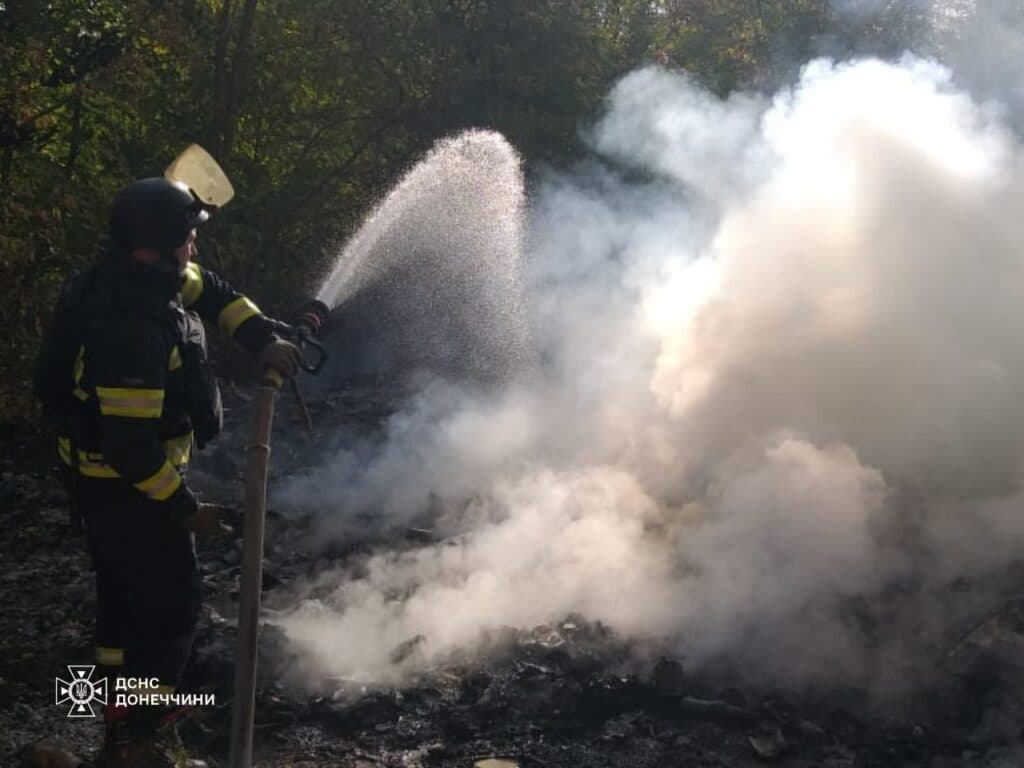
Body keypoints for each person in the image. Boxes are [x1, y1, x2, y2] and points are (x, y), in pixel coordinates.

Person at [33, 176, 302, 767]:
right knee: (173, 605)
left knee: (121, 603)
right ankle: (139, 732)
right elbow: (130, 448)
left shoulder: (138, 276)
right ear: (154, 247)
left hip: (103, 477)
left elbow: (213, 290)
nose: (194, 249)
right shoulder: (130, 329)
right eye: (187, 238)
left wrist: (261, 337)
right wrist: (185, 510)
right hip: (122, 486)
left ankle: (108, 711)